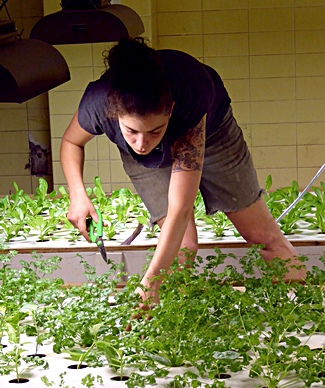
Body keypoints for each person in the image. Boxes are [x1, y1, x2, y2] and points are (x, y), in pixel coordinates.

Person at [60, 37, 306, 307]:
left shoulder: (190, 96)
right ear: (115, 115)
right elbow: (72, 142)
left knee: (263, 236)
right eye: (131, 131)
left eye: (155, 130)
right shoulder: (98, 102)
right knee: (182, 248)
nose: (142, 144)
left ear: (171, 110)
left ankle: (301, 310)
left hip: (213, 132)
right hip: (154, 134)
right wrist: (78, 195)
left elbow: (180, 207)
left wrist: (150, 282)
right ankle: (169, 326)